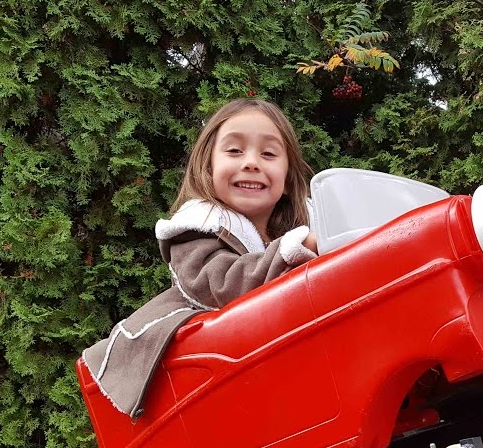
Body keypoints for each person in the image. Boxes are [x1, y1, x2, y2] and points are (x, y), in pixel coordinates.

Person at [81, 99, 319, 418]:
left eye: (269, 153)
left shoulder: (286, 233)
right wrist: (296, 250)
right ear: (208, 167)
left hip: (267, 384)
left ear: (288, 178)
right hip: (202, 390)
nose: (251, 162)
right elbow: (220, 285)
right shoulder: (197, 227)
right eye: (234, 151)